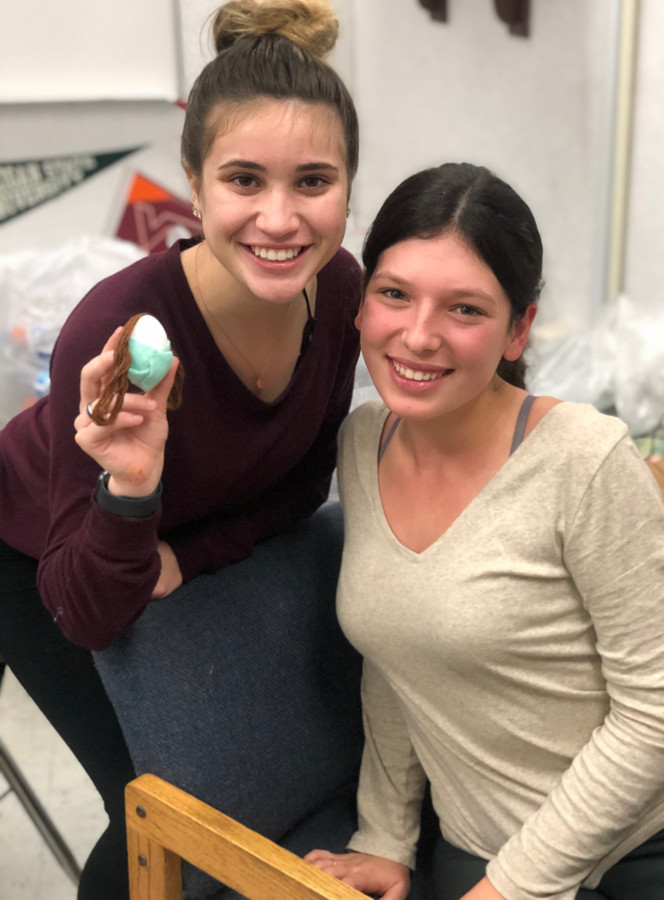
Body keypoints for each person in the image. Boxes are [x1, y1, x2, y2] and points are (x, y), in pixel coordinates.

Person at [0, 2, 365, 898]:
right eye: (244, 180)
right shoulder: (120, 328)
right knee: (157, 817)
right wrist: (132, 492)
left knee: (243, 789)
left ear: (350, 186)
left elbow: (304, 486)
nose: (279, 220)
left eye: (312, 181)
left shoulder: (344, 292)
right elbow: (84, 607)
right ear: (194, 190)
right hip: (35, 554)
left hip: (171, 553)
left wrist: (187, 553)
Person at [306, 162, 664, 900]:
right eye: (394, 294)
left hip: (639, 842)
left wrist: (515, 886)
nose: (417, 336)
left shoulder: (583, 459)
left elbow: (659, 708)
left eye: (464, 310)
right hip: (478, 847)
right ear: (360, 303)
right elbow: (396, 651)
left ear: (518, 329)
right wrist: (384, 836)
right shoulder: (360, 442)